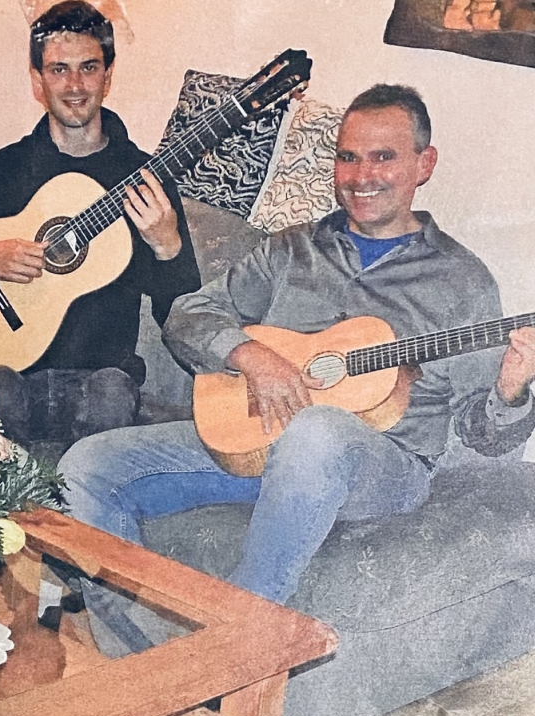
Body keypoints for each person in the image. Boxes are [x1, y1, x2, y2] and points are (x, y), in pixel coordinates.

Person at [59, 84, 535, 656]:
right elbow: (189, 314)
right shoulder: (291, 249)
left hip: (384, 465)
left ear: (423, 163)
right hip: (260, 441)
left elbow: (484, 439)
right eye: (347, 156)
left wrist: (512, 391)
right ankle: (141, 657)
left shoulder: (463, 280)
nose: (361, 175)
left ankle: (230, 652)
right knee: (83, 467)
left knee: (318, 430)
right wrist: (250, 356)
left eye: (383, 156)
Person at [0, 0, 201, 456]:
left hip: (101, 380)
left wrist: (167, 248)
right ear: (37, 81)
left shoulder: (144, 177)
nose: (74, 85)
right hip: (10, 377)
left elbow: (182, 315)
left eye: (88, 68)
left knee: (112, 396)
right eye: (58, 69)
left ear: (108, 76)